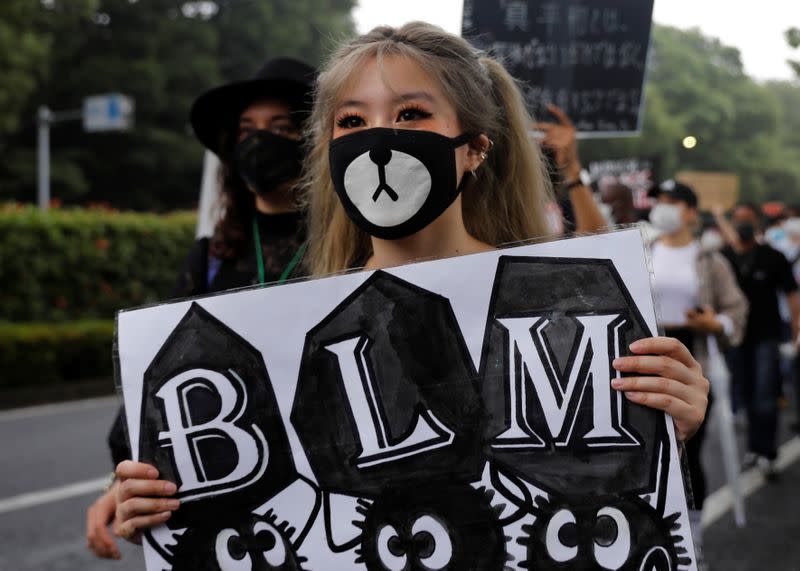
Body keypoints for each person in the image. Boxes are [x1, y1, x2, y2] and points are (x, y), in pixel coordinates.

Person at [112, 22, 710, 544]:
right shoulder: (288, 337)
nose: (378, 139)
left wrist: (665, 426)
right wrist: (162, 504)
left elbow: (607, 506)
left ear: (475, 149)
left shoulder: (565, 310)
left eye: (410, 113)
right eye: (352, 121)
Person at [85, 57, 315, 559]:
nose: (260, 141)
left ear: (317, 139)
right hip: (242, 491)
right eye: (247, 130)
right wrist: (122, 483)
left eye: (281, 128)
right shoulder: (212, 257)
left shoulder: (359, 246)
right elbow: (161, 381)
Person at [647, 180, 748, 558]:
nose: (663, 208)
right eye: (660, 200)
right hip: (646, 356)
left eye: (672, 202)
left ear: (691, 211)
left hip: (690, 359)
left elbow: (736, 309)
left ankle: (691, 533)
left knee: (689, 449)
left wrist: (715, 323)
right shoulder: (643, 250)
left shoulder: (709, 259)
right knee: (649, 452)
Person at [721, 202, 799, 477]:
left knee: (765, 395)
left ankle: (767, 452)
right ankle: (753, 449)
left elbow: (791, 293)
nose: (743, 224)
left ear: (757, 223)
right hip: (734, 338)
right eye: (738, 218)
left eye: (748, 219)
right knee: (744, 394)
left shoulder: (772, 256)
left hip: (766, 336)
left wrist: (796, 327)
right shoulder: (724, 256)